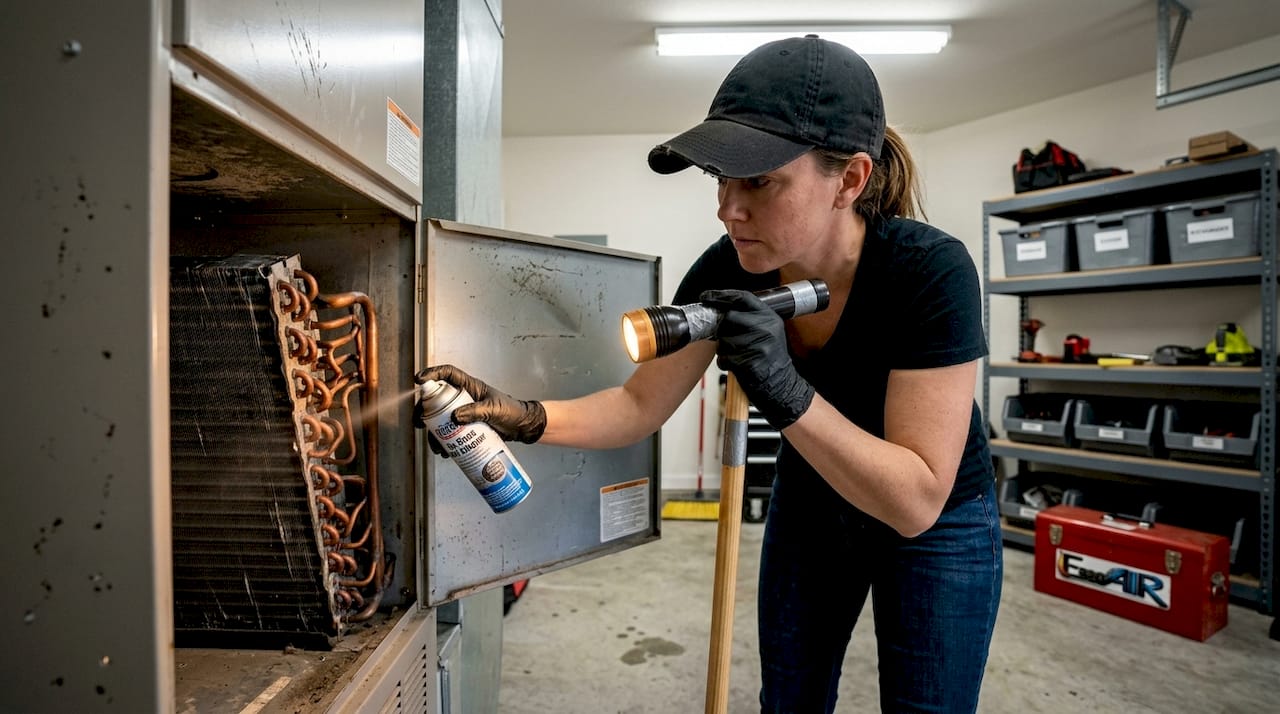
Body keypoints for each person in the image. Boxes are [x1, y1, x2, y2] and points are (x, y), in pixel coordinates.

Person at [416, 35, 1001, 713]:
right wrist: (524, 417)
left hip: (941, 521)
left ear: (849, 180)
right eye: (720, 179)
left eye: (759, 181)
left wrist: (785, 390)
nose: (728, 208)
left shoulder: (928, 272)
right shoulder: (732, 265)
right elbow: (638, 405)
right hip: (816, 496)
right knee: (790, 698)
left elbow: (915, 501)